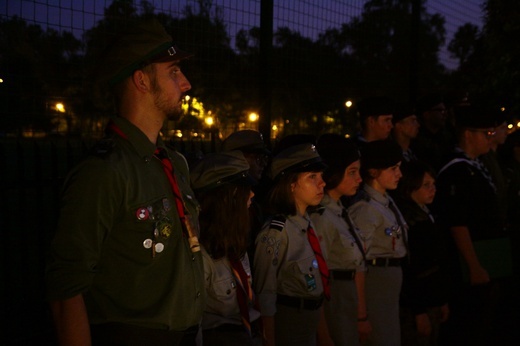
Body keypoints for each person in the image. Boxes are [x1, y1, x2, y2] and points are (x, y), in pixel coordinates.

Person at [45, 19, 205, 345]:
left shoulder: (173, 163)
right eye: (173, 71)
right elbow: (66, 288)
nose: (186, 84)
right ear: (142, 81)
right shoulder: (105, 172)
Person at [434, 104, 510, 345]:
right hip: (469, 266)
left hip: (489, 258)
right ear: (468, 134)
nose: (490, 138)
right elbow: (458, 222)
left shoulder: (477, 166)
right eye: (485, 133)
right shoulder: (456, 170)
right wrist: (474, 265)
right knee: (469, 327)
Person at [253, 143, 328, 346]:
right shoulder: (276, 233)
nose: (322, 183)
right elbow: (265, 295)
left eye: (321, 176)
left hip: (309, 323)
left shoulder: (307, 224)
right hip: (289, 325)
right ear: (291, 184)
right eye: (312, 177)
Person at [190, 151, 262, 345]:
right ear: (226, 198)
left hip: (248, 333)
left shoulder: (233, 242)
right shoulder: (201, 254)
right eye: (244, 189)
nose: (252, 194)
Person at [310, 134, 368, 345]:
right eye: (351, 172)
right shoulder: (322, 217)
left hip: (347, 297)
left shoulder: (339, 210)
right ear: (333, 173)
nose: (359, 179)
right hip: (336, 299)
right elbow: (317, 276)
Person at [349, 139, 407, 346]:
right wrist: (361, 314)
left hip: (387, 282)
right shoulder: (366, 209)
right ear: (373, 171)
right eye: (393, 169)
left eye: (399, 168)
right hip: (376, 280)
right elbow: (357, 260)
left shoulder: (385, 202)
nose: (399, 174)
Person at [395, 161, 450, 346]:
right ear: (411, 186)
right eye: (426, 185)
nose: (432, 189)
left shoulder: (426, 215)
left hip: (431, 297)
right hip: (418, 304)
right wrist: (419, 311)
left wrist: (441, 299)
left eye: (433, 184)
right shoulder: (410, 222)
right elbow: (411, 269)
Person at [221, 130, 271, 266]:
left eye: (264, 158)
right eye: (257, 158)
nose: (263, 164)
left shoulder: (257, 199)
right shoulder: (225, 203)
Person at [412, 93, 456, 172]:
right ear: (427, 114)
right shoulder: (417, 139)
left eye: (445, 110)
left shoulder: (447, 137)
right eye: (440, 111)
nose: (445, 114)